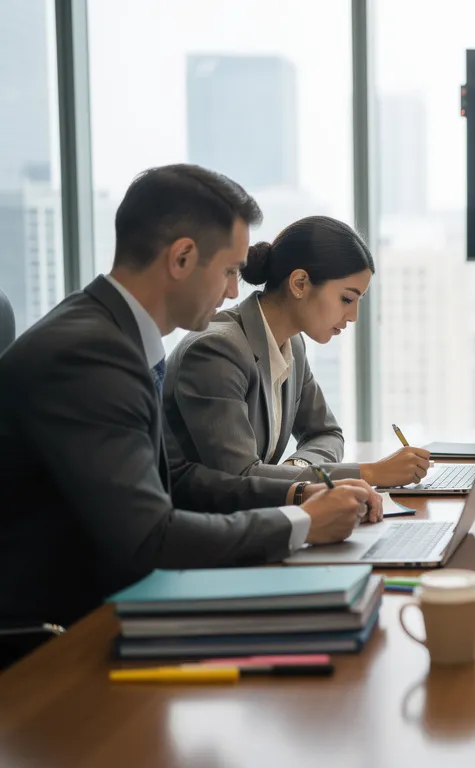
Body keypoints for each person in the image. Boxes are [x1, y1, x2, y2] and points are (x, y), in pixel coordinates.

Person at [0, 165, 381, 634]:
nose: (234, 290)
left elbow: (179, 480)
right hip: (57, 630)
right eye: (229, 271)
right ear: (181, 258)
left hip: (109, 596)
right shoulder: (89, 355)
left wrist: (297, 496)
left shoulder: (116, 335)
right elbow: (149, 538)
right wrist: (299, 523)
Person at [163, 215, 431, 487]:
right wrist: (370, 473)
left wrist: (298, 467)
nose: (353, 316)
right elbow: (239, 477)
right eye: (346, 299)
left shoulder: (292, 345)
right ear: (299, 283)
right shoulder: (216, 351)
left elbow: (326, 434)